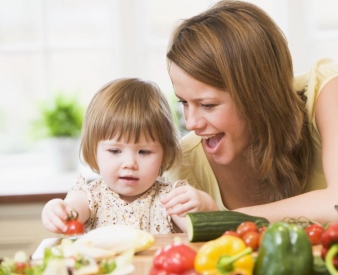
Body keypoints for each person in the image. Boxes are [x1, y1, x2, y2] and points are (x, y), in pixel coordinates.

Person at [161, 0, 338, 224]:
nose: (191, 123)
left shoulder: (328, 90)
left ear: (257, 95)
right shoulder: (186, 163)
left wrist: (224, 219)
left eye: (208, 105)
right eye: (183, 102)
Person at [41, 78, 218, 235]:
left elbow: (203, 230)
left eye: (144, 152)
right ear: (94, 151)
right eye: (115, 151)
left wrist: (206, 205)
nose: (130, 163)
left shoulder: (168, 199)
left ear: (164, 154)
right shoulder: (91, 197)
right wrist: (56, 210)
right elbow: (71, 211)